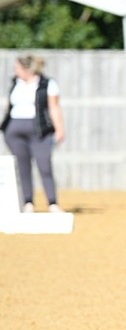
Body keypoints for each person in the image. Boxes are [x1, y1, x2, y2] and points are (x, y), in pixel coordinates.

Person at [1, 55, 65, 212]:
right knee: (22, 167)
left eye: (17, 68)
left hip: (40, 131)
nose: (15, 71)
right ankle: (28, 202)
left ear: (27, 69)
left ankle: (52, 203)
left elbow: (53, 107)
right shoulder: (15, 83)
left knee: (44, 165)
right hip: (14, 130)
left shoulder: (47, 84)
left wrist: (59, 129)